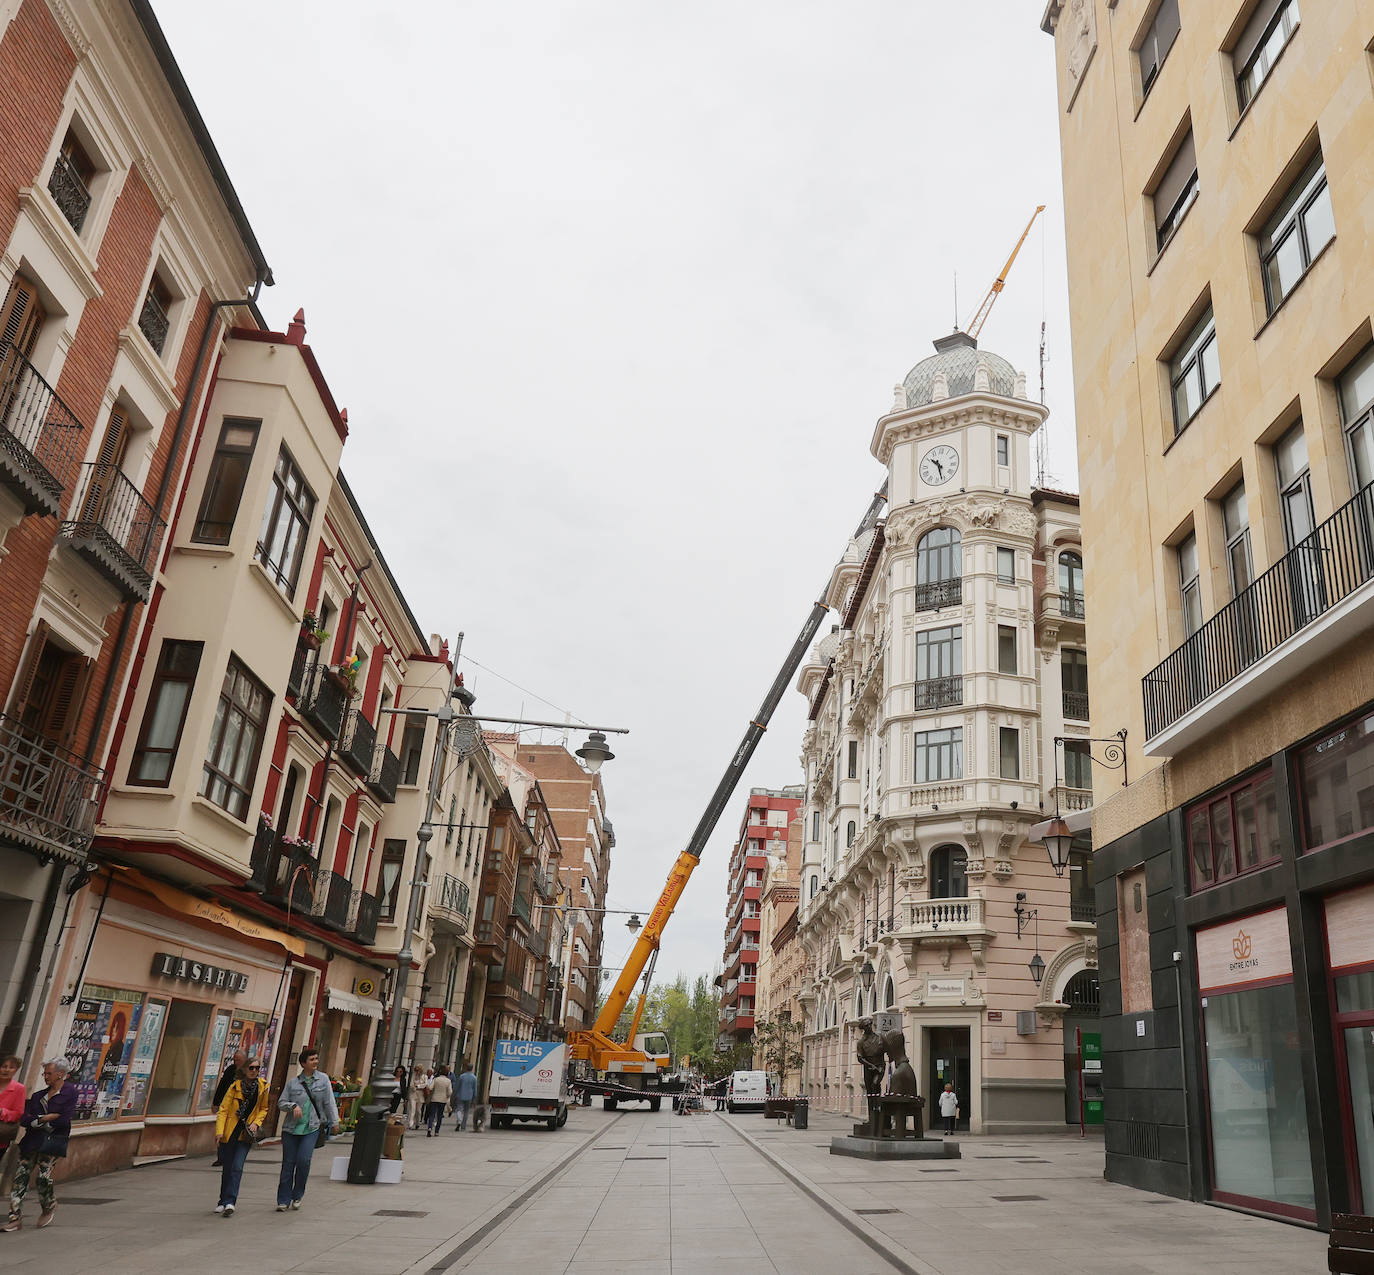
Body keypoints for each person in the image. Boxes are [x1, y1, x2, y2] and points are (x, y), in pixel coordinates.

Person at [3, 1058, 77, 1232]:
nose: (45, 1077)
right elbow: (25, 1119)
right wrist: (44, 1118)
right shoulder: (38, 1096)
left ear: (60, 1074)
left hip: (52, 1142)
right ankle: (14, 1218)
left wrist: (38, 1120)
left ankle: (48, 1204)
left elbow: (64, 1119)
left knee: (43, 1177)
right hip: (31, 1142)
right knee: (20, 1178)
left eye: (49, 1074)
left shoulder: (70, 1092)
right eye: (44, 1073)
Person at [275, 1047, 338, 1213]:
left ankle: (297, 1195)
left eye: (316, 1059)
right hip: (291, 1129)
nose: (316, 1062)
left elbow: (329, 1102)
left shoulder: (323, 1080)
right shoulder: (293, 1083)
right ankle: (283, 1199)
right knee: (288, 1164)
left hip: (312, 1127)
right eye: (312, 1059)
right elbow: (281, 1103)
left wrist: (335, 1121)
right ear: (303, 1063)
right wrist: (293, 1105)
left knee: (303, 1161)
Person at [214, 1056, 269, 1216]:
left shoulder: (263, 1087)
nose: (254, 1071)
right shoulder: (234, 1087)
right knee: (228, 1167)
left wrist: (256, 1123)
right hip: (230, 1131)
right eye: (251, 1068)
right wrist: (219, 1131)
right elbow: (223, 1110)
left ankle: (230, 1202)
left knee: (237, 1167)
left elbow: (264, 1108)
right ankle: (222, 1201)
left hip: (245, 1133)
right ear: (244, 1069)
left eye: (257, 1068)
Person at [210, 1049, 248, 1167]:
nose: (236, 1062)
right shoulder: (230, 1070)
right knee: (222, 1132)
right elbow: (222, 1085)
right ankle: (221, 1157)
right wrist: (216, 1102)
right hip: (226, 1106)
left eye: (238, 1060)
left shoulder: (249, 1071)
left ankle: (233, 1156)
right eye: (235, 1059)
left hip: (241, 1108)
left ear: (245, 1060)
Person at [426, 1065, 452, 1137]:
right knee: (439, 1116)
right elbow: (450, 1092)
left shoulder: (436, 1079)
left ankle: (430, 1128)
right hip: (442, 1100)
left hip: (434, 1099)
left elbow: (430, 1087)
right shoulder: (448, 1081)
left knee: (432, 1115)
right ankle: (437, 1131)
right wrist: (447, 1096)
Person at [453, 1063, 478, 1131]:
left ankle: (459, 1121)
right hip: (469, 1096)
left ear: (466, 1068)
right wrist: (474, 1098)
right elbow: (475, 1089)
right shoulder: (474, 1078)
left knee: (459, 1109)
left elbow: (457, 1086)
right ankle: (463, 1126)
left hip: (460, 1095)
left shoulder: (462, 1076)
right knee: (466, 1111)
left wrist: (454, 1094)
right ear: (472, 1068)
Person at [408, 1065, 428, 1130]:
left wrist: (418, 1086)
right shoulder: (413, 1076)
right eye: (416, 1070)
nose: (417, 1072)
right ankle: (410, 1123)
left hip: (420, 1095)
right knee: (412, 1109)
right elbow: (411, 1084)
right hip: (413, 1094)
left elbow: (425, 1084)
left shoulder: (424, 1076)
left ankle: (417, 1123)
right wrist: (414, 1087)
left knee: (418, 1110)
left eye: (418, 1070)